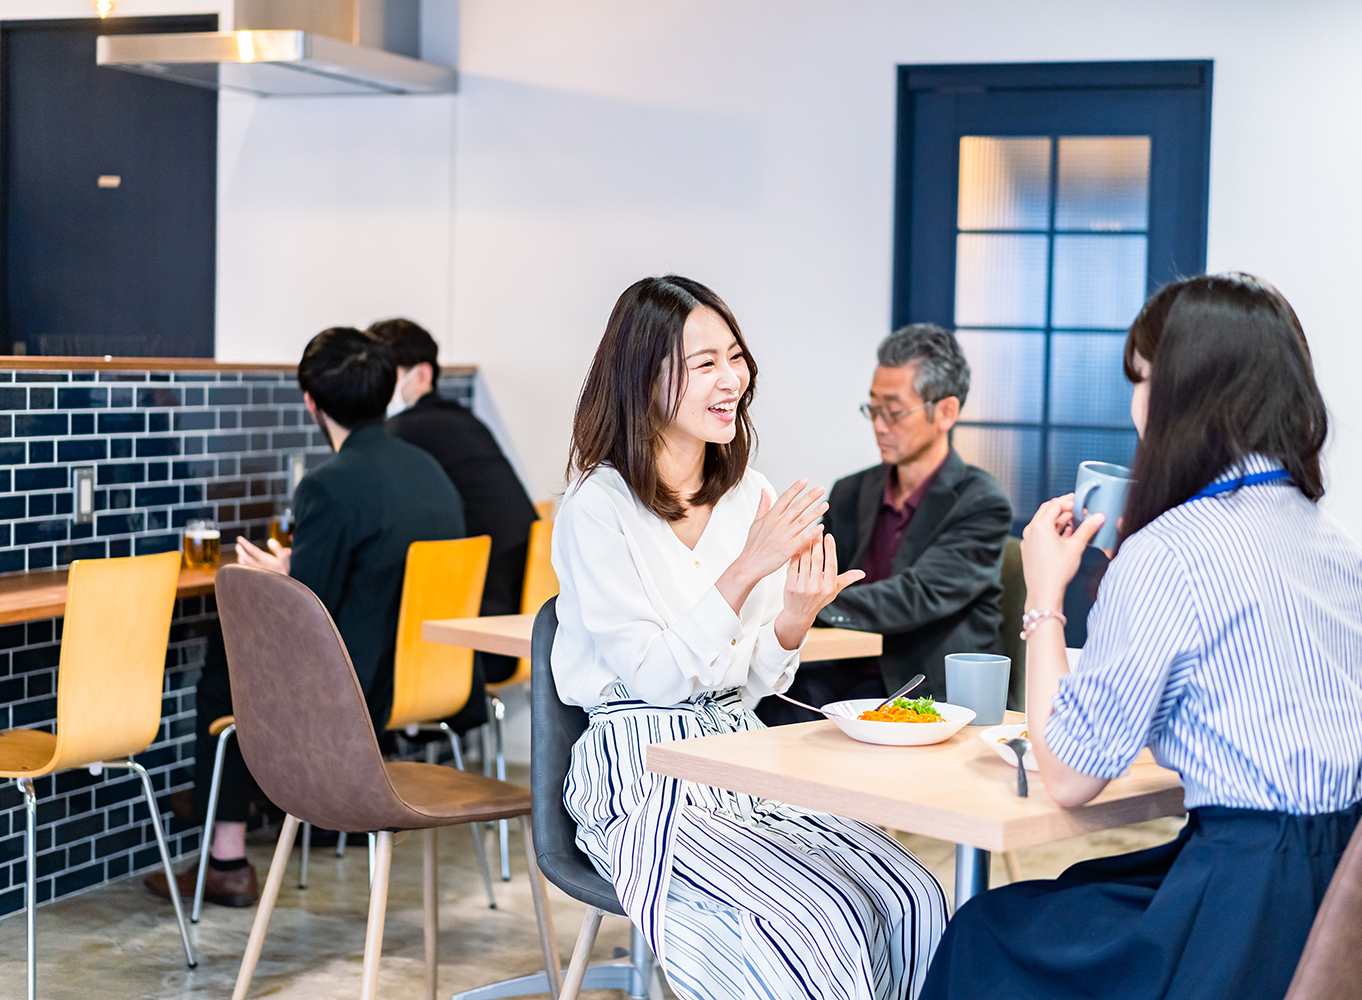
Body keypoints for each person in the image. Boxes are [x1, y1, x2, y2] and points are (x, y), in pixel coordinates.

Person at [918, 274, 1362, 1000]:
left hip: (1256, 908)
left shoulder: (1169, 551)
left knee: (988, 932)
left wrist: (1046, 595)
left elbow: (1071, 777)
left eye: (1141, 380)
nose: (1135, 403)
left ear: (1183, 392)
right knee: (1077, 891)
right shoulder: (1334, 541)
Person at [553, 275, 947, 1000]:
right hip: (644, 770)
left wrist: (793, 617)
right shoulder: (595, 507)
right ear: (644, 378)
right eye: (705, 364)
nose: (733, 379)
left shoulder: (750, 496)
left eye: (735, 357)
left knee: (911, 893)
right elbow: (656, 681)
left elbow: (759, 683)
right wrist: (746, 569)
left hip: (741, 752)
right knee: (815, 916)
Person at [146, 328, 464, 908]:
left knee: (230, 671)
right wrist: (298, 564)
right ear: (387, 390)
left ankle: (227, 855)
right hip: (429, 683)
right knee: (243, 666)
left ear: (310, 402)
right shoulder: (430, 471)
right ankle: (232, 797)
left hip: (358, 693)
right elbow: (376, 570)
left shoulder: (329, 485)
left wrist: (275, 580)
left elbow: (306, 618)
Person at [760, 324, 1010, 725]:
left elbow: (916, 595)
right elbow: (805, 568)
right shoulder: (852, 490)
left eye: (893, 411)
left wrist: (809, 603)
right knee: (766, 710)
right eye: (873, 409)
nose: (879, 424)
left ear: (946, 412)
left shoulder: (980, 502)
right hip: (839, 669)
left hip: (917, 685)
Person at [370, 317, 537, 711]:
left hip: (477, 636)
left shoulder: (404, 434)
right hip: (524, 623)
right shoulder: (465, 421)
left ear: (422, 374)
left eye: (383, 374)